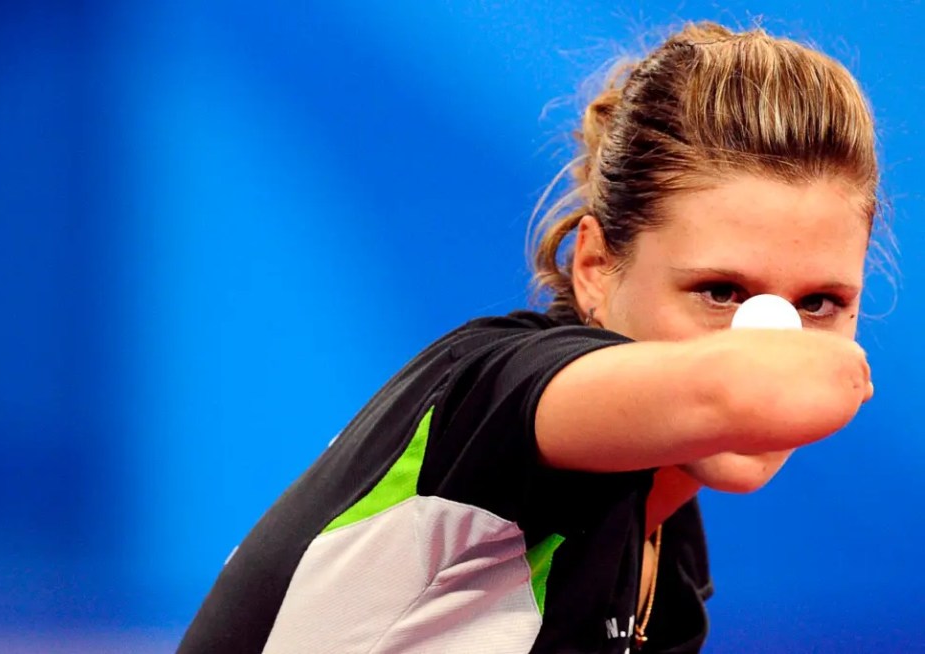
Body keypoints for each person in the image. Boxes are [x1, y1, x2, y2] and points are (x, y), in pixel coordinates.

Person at [178, 21, 880, 654]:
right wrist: (818, 374)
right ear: (596, 267)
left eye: (821, 302)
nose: (775, 339)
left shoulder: (665, 557)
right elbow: (744, 388)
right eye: (719, 292)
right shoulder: (494, 396)